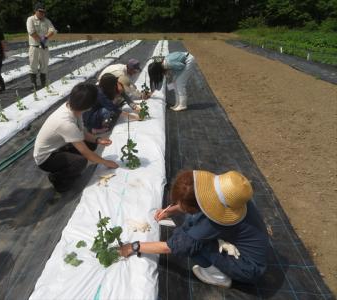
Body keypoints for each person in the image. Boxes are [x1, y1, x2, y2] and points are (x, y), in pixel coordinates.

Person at [119, 170, 269, 288]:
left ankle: (218, 277)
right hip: (249, 249)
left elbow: (172, 247)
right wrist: (172, 210)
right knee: (193, 222)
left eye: (183, 205)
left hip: (249, 268)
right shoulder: (232, 199)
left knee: (193, 246)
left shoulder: (213, 224)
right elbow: (200, 201)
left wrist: (134, 246)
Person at [33, 82, 119, 193]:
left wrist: (97, 139)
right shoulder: (65, 122)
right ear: (88, 106)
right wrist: (106, 162)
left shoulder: (73, 108)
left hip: (58, 147)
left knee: (92, 143)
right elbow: (86, 153)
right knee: (80, 162)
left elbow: (82, 133)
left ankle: (69, 166)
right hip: (46, 159)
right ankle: (57, 178)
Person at [26, 2, 57, 90]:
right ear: (35, 11)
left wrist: (46, 37)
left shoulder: (47, 21)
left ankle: (43, 84)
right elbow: (31, 32)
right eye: (40, 11)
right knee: (33, 66)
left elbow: (52, 30)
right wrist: (41, 41)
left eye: (43, 12)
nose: (42, 13)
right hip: (34, 47)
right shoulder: (30, 19)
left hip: (44, 48)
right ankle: (34, 85)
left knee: (44, 67)